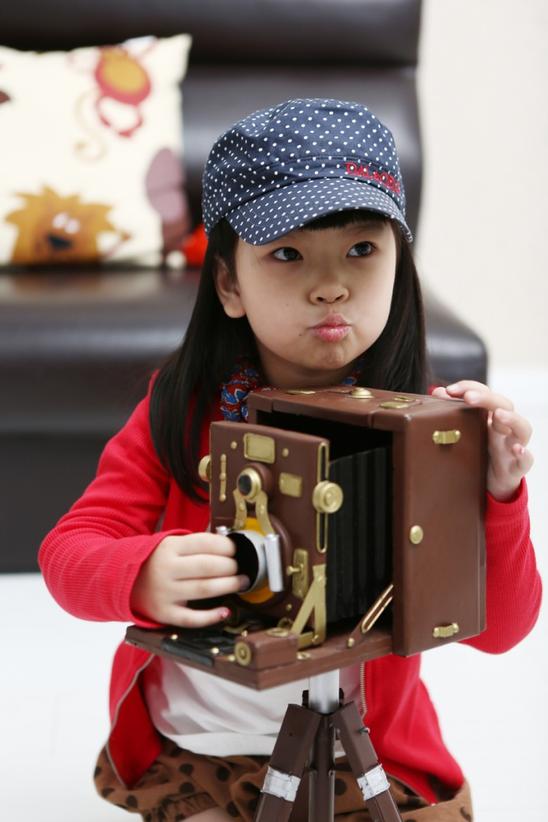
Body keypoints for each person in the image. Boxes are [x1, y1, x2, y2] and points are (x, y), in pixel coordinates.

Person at [39, 98, 541, 822]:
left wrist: (496, 496)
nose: (331, 285)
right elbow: (68, 554)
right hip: (198, 751)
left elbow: (503, 633)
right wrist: (140, 572)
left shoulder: (431, 429)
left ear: (401, 266)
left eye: (362, 250)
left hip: (363, 757)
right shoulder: (179, 408)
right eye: (287, 253)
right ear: (229, 284)